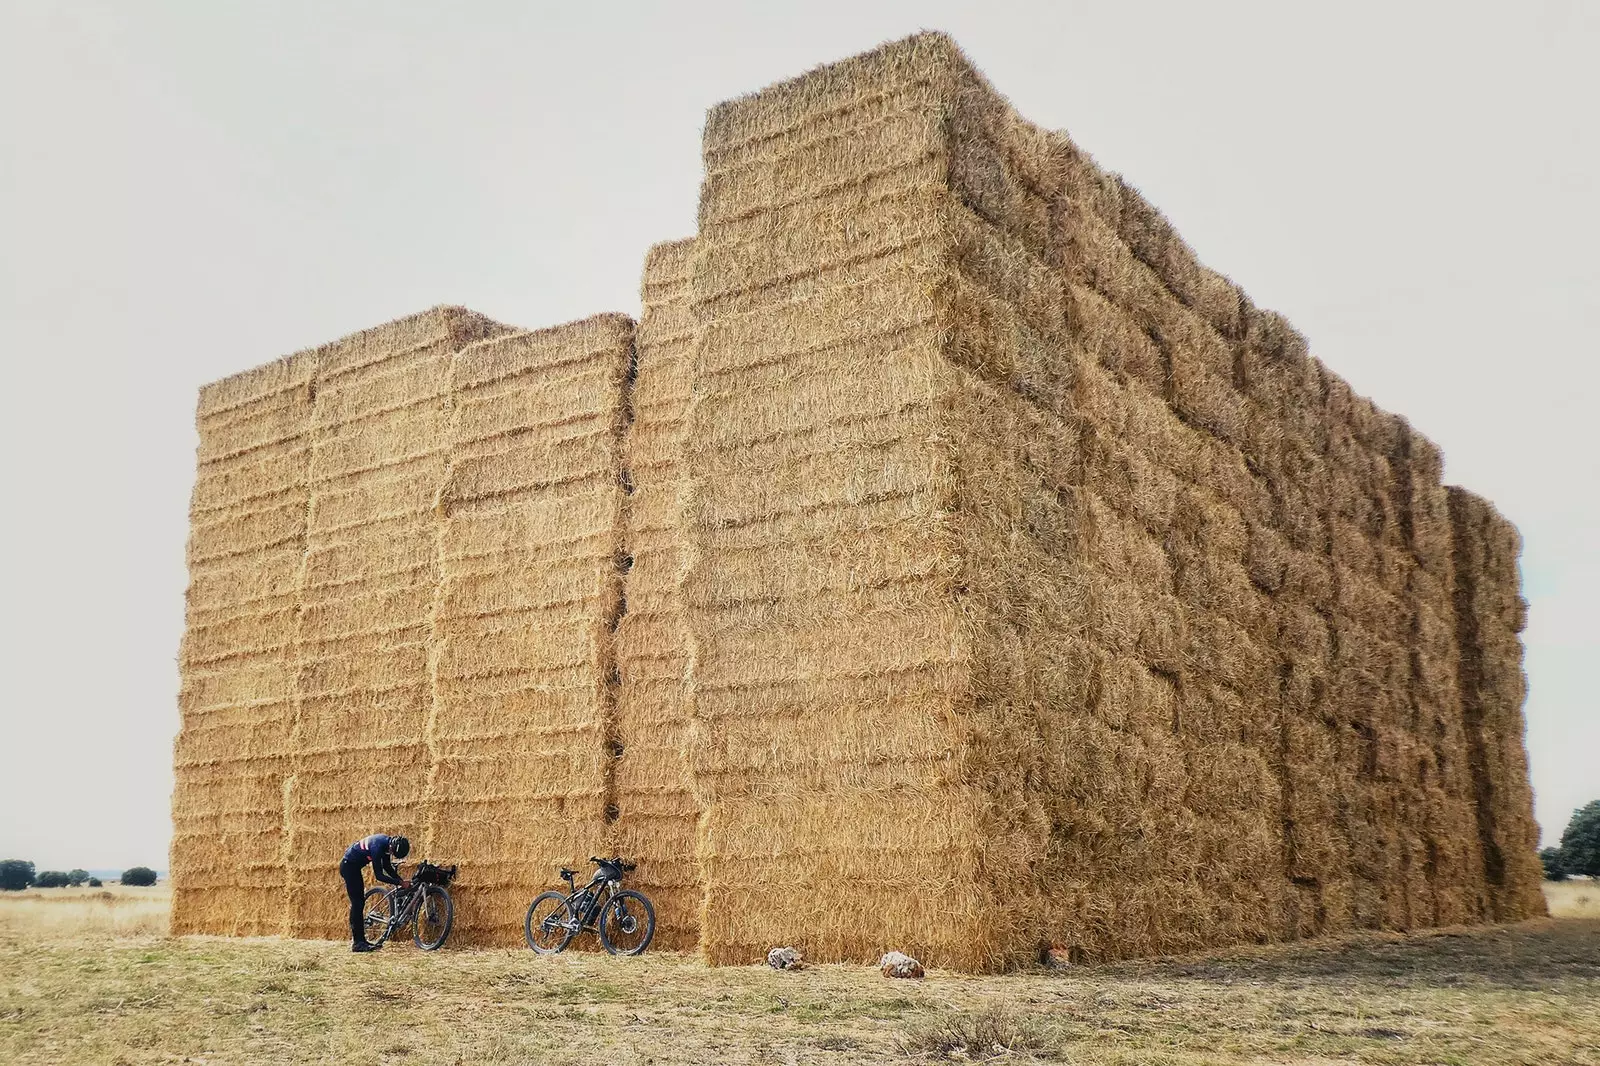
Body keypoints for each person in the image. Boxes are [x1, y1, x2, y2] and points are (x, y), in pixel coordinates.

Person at [340, 833, 410, 952]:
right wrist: (400, 883)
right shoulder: (377, 846)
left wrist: (401, 881)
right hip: (348, 867)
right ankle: (358, 943)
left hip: (354, 867)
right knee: (357, 903)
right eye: (392, 852)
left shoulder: (386, 844)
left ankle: (361, 941)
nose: (391, 854)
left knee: (360, 902)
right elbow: (379, 875)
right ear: (392, 846)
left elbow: (387, 867)